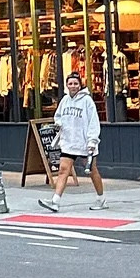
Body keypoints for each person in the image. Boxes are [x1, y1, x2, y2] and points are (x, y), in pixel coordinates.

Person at [38, 72, 106, 212]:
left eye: (75, 83)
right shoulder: (64, 100)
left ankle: (101, 199)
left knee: (92, 171)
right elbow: (58, 116)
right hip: (69, 141)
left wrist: (92, 140)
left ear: (80, 85)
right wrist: (58, 123)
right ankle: (55, 201)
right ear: (66, 85)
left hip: (84, 142)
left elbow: (93, 121)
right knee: (63, 170)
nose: (73, 86)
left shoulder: (87, 101)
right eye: (70, 83)